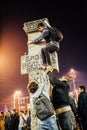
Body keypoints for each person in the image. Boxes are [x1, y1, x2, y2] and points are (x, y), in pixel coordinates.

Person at [46, 66, 76, 130]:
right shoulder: (59, 87)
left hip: (66, 114)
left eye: (62, 78)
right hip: (60, 114)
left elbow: (54, 81)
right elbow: (53, 83)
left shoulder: (64, 84)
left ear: (65, 80)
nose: (60, 79)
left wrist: (49, 71)